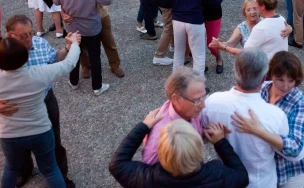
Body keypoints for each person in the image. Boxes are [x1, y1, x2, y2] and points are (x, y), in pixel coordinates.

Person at [0, 33, 81, 188]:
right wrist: (74, 43)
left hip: (9, 135)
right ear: (25, 58)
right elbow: (69, 64)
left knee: (11, 168)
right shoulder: (39, 73)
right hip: (40, 131)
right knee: (50, 169)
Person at [202, 48, 289, 188]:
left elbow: (202, 138)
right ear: (264, 78)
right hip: (262, 182)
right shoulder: (276, 115)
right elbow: (285, 151)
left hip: (228, 179)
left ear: (235, 72)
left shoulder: (212, 102)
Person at [231, 51, 304, 188]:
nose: (285, 86)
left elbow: (295, 147)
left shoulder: (300, 101)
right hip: (265, 167)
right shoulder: (259, 90)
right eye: (280, 79)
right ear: (270, 74)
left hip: (289, 170)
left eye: (291, 81)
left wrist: (258, 131)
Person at [109, 109, 248, 188]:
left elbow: (117, 164)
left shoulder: (147, 179)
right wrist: (221, 142)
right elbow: (242, 176)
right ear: (199, 149)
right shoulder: (217, 174)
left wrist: (144, 125)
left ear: (161, 152)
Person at [53, 0, 113, 95]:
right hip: (91, 28)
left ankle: (73, 82)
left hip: (72, 28)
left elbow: (55, 1)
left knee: (74, 54)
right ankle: (97, 87)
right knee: (95, 56)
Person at [159, 0, 212, 75]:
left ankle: (177, 82)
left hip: (178, 21)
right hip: (195, 20)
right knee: (198, 55)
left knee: (178, 52)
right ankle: (199, 85)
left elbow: (164, 2)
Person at [141, 68, 207, 163]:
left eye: (204, 96)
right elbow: (148, 168)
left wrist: (206, 134)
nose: (203, 105)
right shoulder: (160, 137)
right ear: (176, 98)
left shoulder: (189, 110)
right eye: (197, 100)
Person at [210, 0, 289, 61]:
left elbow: (246, 53)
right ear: (244, 12)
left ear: (261, 7)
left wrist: (223, 47)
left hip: (262, 69)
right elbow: (230, 43)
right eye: (248, 10)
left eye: (255, 7)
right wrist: (220, 44)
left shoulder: (261, 27)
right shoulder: (281, 20)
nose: (252, 12)